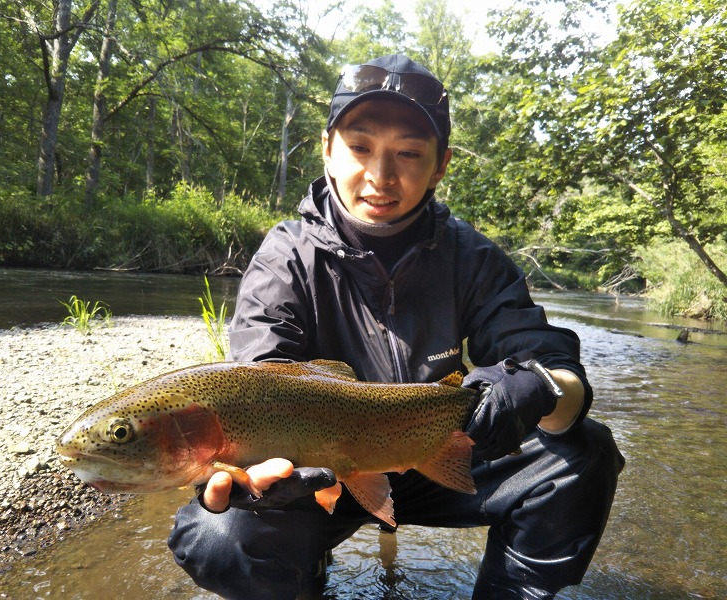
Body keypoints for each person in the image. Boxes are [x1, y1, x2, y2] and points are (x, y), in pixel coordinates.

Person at [168, 54, 624, 599]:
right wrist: (263, 475)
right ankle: (299, 579)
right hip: (318, 476)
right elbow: (258, 375)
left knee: (585, 454)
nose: (381, 177)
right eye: (360, 148)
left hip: (441, 448)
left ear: (441, 164)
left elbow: (561, 377)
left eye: (408, 154)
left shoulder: (473, 258)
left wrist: (539, 386)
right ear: (328, 149)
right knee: (217, 537)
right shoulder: (285, 258)